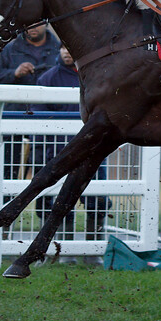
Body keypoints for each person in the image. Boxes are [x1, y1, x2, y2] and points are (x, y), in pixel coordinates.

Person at [31, 46, 111, 263]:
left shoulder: (96, 75)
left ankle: (93, 253)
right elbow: (38, 114)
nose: (67, 51)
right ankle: (61, 252)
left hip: (93, 150)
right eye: (63, 48)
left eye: (70, 47)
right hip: (60, 152)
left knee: (97, 199)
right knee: (58, 201)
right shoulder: (47, 78)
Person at [0, 24, 61, 179]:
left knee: (46, 171)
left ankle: (44, 204)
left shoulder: (60, 49)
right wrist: (14, 74)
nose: (33, 28)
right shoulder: (9, 49)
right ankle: (5, 202)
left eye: (38, 23)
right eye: (29, 25)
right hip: (13, 119)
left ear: (47, 23)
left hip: (48, 122)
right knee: (7, 170)